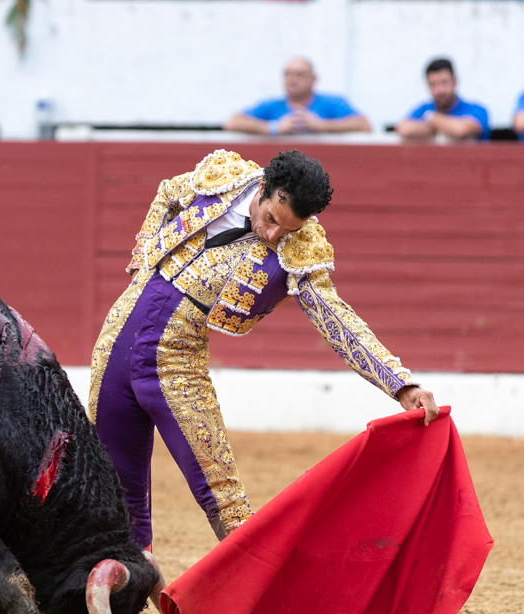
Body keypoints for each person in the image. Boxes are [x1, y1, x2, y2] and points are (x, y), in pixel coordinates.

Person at [89, 150, 438, 549]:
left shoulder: (301, 250)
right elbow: (168, 193)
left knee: (226, 500)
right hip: (115, 342)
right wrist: (141, 260)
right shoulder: (223, 177)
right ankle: (122, 605)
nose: (272, 235)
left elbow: (339, 321)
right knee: (113, 494)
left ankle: (263, 606)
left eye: (286, 232)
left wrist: (400, 384)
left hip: (175, 362)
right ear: (262, 189)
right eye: (271, 219)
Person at [224, 58, 371, 136]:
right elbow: (232, 122)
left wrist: (322, 126)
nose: (292, 79)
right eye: (287, 74)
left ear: (313, 79)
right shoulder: (272, 105)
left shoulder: (332, 103)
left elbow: (364, 125)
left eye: (299, 74)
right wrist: (275, 127)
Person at [396, 58, 489, 141]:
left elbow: (461, 131)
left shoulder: (477, 109)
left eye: (444, 82)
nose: (439, 90)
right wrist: (447, 128)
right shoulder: (423, 108)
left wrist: (432, 119)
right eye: (433, 84)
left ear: (454, 81)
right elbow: (403, 129)